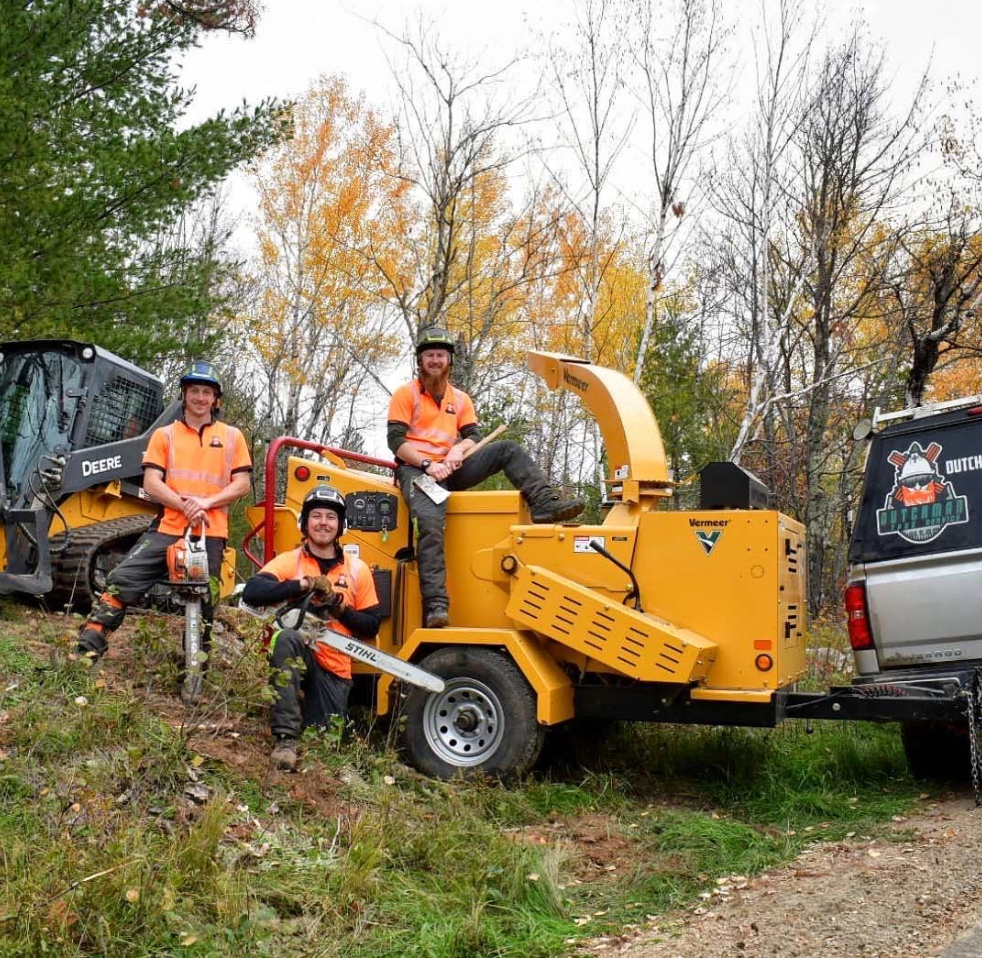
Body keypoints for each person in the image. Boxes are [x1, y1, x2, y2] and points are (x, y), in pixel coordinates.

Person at [387, 325, 584, 629]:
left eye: (440, 355)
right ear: (420, 361)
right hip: (417, 470)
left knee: (507, 449)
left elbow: (472, 434)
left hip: (451, 467)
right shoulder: (406, 394)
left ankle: (544, 503)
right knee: (430, 523)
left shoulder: (461, 398)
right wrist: (427, 464)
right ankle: (436, 606)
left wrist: (458, 451)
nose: (435, 360)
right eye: (430, 355)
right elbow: (396, 440)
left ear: (449, 360)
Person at [77, 360, 252, 666]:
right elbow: (151, 482)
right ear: (184, 395)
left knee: (204, 601)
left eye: (206, 392)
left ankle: (194, 672)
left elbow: (242, 484)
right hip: (168, 526)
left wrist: (206, 503)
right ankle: (86, 650)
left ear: (216, 399)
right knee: (121, 580)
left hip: (210, 532)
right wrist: (184, 504)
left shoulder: (232, 437)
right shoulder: (165, 435)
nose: (200, 397)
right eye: (194, 390)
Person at [242, 484, 382, 772]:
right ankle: (285, 739)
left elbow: (371, 625)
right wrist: (302, 585)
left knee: (323, 746)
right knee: (287, 639)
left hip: (335, 666)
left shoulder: (357, 569)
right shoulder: (291, 561)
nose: (323, 523)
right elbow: (253, 591)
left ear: (340, 525)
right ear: (305, 523)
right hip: (300, 654)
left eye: (330, 517)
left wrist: (338, 607)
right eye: (316, 516)